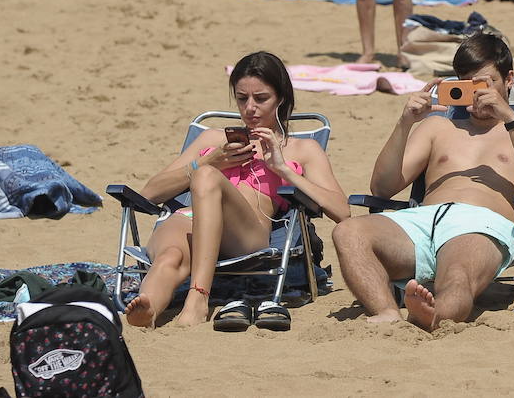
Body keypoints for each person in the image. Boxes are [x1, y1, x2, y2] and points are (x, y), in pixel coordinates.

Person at [332, 33, 514, 330]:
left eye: (486, 82)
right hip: (421, 220)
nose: (478, 93)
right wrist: (405, 124)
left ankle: (434, 314)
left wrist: (510, 119)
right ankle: (387, 311)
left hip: (482, 224)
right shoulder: (437, 127)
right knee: (348, 231)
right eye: (467, 83)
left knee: (456, 276)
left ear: (509, 80)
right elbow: (382, 188)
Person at [123, 52, 349, 329]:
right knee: (171, 256)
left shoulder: (301, 149)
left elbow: (342, 212)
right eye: (242, 99)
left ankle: (198, 297)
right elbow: (148, 195)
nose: (250, 108)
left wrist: (284, 170)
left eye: (261, 98)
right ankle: (147, 310)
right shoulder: (212, 139)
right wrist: (206, 160)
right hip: (190, 219)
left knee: (206, 177)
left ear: (282, 99)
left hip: (247, 231)